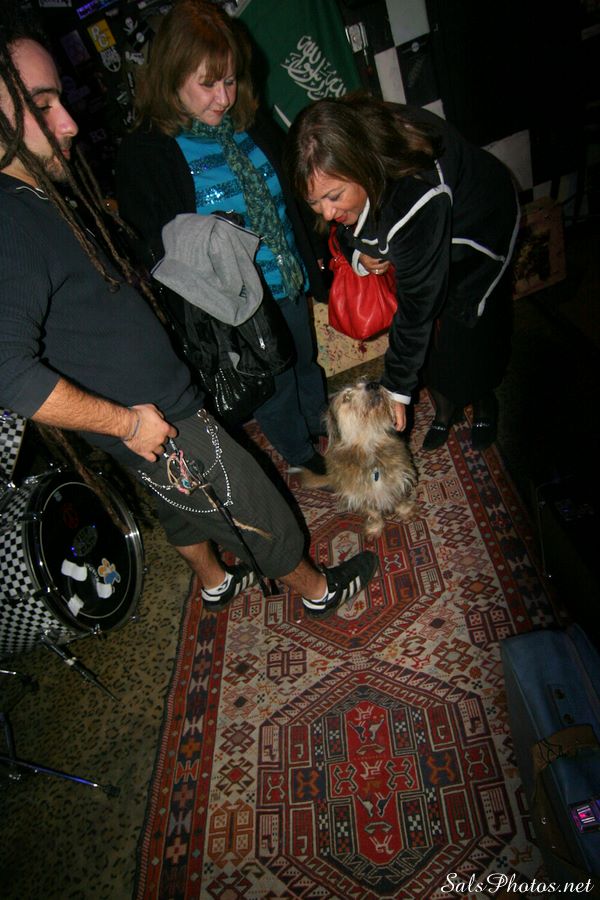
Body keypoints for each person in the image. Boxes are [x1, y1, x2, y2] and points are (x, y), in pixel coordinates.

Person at [0, 24, 377, 618]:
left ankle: (215, 582)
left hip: (142, 405)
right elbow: (7, 372)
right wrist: (127, 423)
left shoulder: (30, 197)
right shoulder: (8, 222)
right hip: (149, 414)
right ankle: (317, 592)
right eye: (42, 105)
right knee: (252, 505)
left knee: (178, 505)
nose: (68, 123)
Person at [115, 0, 328, 475]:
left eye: (230, 80)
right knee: (274, 387)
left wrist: (313, 256)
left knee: (305, 361)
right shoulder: (148, 152)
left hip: (286, 277)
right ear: (172, 77)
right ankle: (301, 456)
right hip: (236, 306)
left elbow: (291, 197)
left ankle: (322, 422)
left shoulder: (250, 122)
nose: (223, 97)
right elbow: (154, 248)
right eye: (208, 84)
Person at [284, 94, 520, 451]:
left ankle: (483, 397)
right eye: (314, 201)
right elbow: (343, 228)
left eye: (333, 197)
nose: (326, 212)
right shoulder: (345, 155)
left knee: (470, 329)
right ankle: (446, 408)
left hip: (479, 233)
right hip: (426, 230)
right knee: (432, 342)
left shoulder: (414, 193)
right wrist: (359, 253)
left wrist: (396, 387)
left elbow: (417, 303)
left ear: (362, 165)